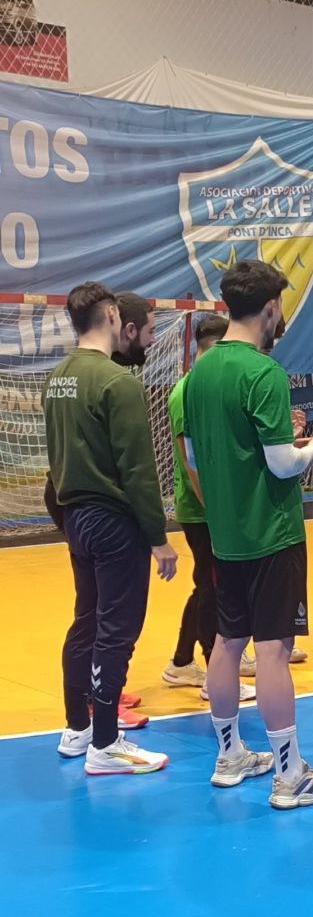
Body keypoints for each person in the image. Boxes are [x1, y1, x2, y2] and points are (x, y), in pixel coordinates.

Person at [183, 259, 313, 808]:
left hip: (225, 536)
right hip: (272, 534)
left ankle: (229, 755)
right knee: (274, 649)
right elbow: (280, 464)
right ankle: (290, 775)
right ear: (273, 306)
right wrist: (310, 451)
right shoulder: (263, 373)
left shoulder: (198, 375)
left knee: (227, 643)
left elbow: (199, 457)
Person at [44, 281, 176, 775]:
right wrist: (158, 538)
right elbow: (138, 469)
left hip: (76, 518)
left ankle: (77, 728)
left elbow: (55, 464)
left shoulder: (56, 378)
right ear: (113, 315)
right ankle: (105, 743)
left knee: (86, 621)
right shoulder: (118, 383)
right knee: (116, 631)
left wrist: (68, 520)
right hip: (113, 521)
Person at [160, 310, 255, 704]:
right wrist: (214, 509)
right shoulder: (188, 391)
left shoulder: (204, 384)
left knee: (206, 584)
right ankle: (214, 673)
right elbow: (190, 459)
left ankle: (182, 662)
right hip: (202, 510)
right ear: (212, 349)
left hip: (212, 506)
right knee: (213, 588)